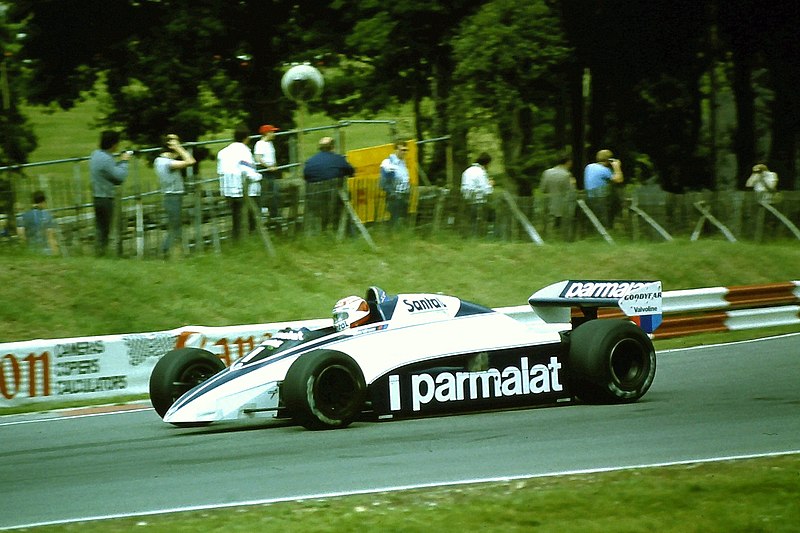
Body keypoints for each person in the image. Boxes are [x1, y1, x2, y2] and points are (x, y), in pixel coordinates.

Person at [90, 130, 131, 256]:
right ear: (113, 144)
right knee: (105, 230)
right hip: (106, 198)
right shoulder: (107, 159)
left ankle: (100, 253)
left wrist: (117, 163)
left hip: (97, 196)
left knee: (100, 229)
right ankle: (102, 254)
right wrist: (124, 161)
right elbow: (119, 177)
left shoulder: (95, 154)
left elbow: (109, 171)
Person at [217, 125, 261, 241]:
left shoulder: (222, 152)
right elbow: (248, 171)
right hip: (245, 191)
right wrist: (258, 177)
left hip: (228, 190)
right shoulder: (244, 152)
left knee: (236, 219)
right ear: (246, 138)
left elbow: (220, 171)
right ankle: (250, 241)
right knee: (250, 219)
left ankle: (237, 242)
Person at [154, 134, 195, 259]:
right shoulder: (166, 163)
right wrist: (179, 148)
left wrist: (177, 148)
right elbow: (191, 161)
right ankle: (165, 253)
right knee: (175, 227)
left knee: (175, 226)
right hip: (173, 197)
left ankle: (174, 253)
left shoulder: (159, 160)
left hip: (171, 197)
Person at [303, 136, 355, 233]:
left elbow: (306, 177)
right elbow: (351, 172)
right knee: (346, 197)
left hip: (314, 200)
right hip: (334, 198)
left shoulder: (310, 161)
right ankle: (347, 232)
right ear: (332, 147)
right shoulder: (338, 159)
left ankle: (321, 231)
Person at [583, 149, 623, 227]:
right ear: (609, 160)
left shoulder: (589, 167)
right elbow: (619, 179)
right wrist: (617, 167)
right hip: (601, 198)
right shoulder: (604, 170)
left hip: (589, 197)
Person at [540, 153, 577, 234]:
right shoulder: (567, 175)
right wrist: (574, 184)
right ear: (568, 162)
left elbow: (543, 189)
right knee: (565, 226)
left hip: (549, 203)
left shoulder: (547, 172)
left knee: (549, 225)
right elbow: (571, 192)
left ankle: (549, 238)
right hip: (563, 205)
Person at [16, 190, 59, 255]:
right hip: (46, 252)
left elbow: (21, 236)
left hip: (31, 252)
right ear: (43, 202)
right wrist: (56, 253)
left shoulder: (23, 217)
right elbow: (51, 238)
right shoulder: (47, 216)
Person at [379, 140, 411, 228]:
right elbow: (383, 183)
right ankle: (391, 238)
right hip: (395, 197)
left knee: (403, 220)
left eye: (406, 150)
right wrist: (393, 193)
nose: (404, 152)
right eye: (402, 150)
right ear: (396, 150)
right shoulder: (388, 163)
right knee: (394, 220)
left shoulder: (403, 162)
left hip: (405, 195)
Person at [254, 124, 281, 221]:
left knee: (274, 192)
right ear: (267, 133)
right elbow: (258, 158)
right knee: (266, 192)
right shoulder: (260, 144)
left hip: (271, 170)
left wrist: (274, 165)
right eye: (272, 132)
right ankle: (264, 214)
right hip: (265, 171)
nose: (274, 134)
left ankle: (274, 214)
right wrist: (268, 167)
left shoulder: (270, 144)